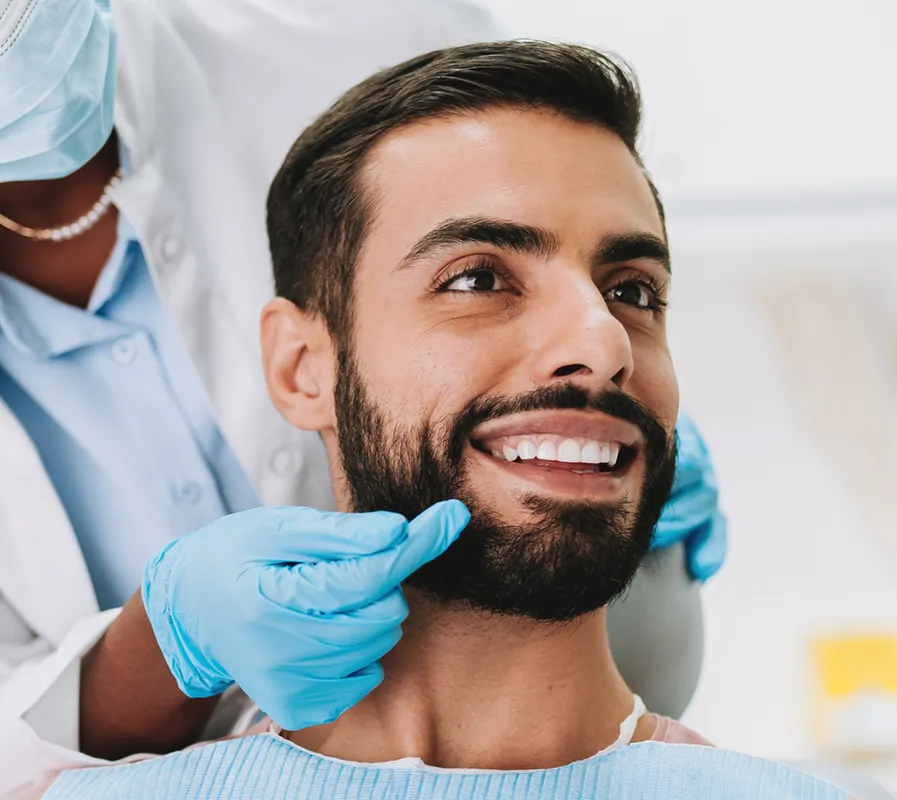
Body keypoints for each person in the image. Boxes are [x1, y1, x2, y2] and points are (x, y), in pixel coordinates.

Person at [0, 0, 727, 793]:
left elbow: (573, 192)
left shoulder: (378, 41)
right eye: (479, 278)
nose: (600, 344)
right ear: (299, 365)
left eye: (634, 293)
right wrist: (154, 650)